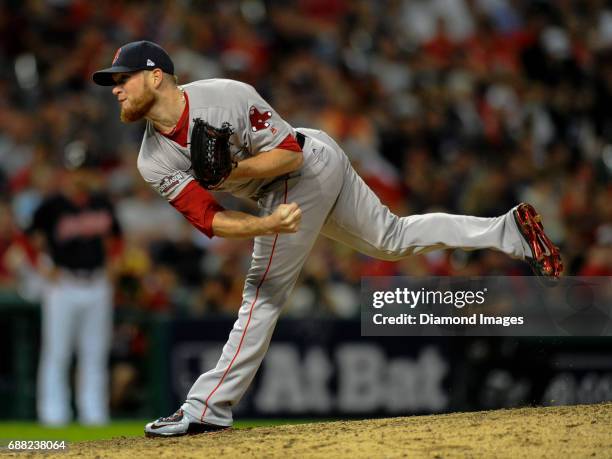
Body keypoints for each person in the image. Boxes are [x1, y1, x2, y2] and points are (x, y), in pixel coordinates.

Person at [91, 40, 562, 437]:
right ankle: (507, 230)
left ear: (156, 77)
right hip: (284, 184)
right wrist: (264, 224)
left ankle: (205, 407)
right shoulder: (151, 159)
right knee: (392, 238)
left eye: (123, 78)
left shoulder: (223, 96)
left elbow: (290, 156)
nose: (115, 89)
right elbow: (210, 220)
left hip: (306, 163)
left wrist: (236, 175)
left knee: (263, 290)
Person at [15, 146, 122, 426]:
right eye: (75, 171)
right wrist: (41, 264)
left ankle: (94, 415)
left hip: (97, 283)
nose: (79, 177)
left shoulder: (102, 203)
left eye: (84, 171)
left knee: (94, 354)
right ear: (65, 173)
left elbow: (117, 239)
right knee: (57, 353)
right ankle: (53, 416)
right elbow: (26, 237)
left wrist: (113, 265)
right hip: (62, 284)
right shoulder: (51, 206)